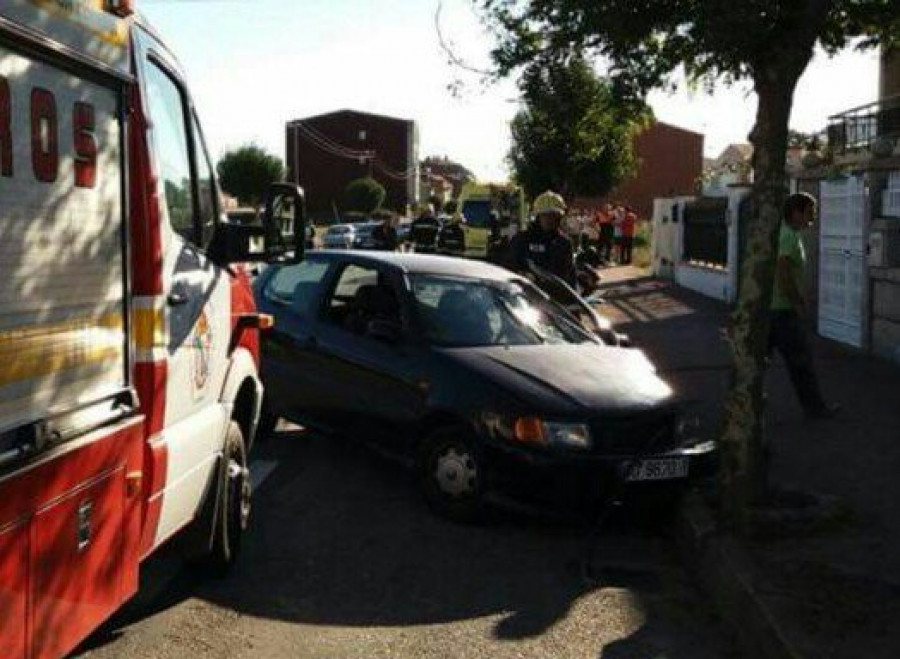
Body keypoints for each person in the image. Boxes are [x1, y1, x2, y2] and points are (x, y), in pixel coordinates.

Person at [769, 192, 839, 420]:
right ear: (796, 212)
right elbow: (783, 269)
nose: (812, 219)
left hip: (772, 309)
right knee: (801, 362)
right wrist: (797, 300)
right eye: (809, 213)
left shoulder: (786, 233)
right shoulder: (788, 236)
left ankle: (745, 406)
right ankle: (816, 409)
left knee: (759, 360)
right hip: (783, 311)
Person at [511, 190, 577, 287]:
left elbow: (570, 277)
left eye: (554, 215)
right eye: (545, 215)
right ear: (537, 216)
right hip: (527, 295)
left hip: (555, 298)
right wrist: (524, 275)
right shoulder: (522, 239)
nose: (549, 219)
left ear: (559, 217)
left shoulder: (564, 243)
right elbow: (509, 268)